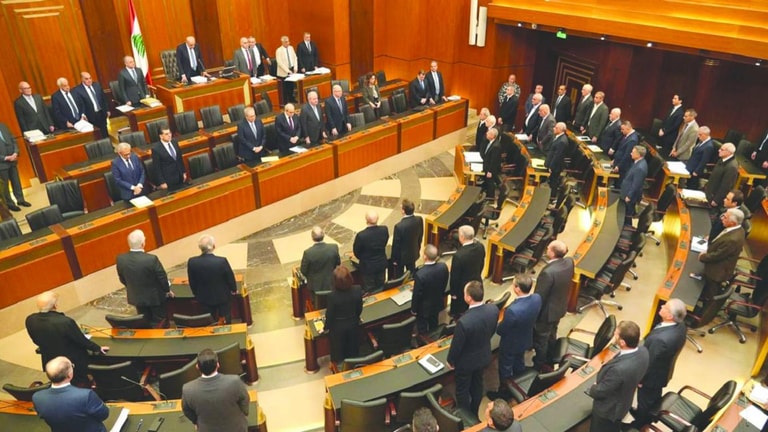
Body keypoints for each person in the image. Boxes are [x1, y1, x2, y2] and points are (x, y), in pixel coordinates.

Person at [25, 291, 109, 386]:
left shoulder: (30, 320)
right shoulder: (65, 322)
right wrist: (97, 348)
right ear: (55, 305)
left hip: (49, 358)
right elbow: (81, 340)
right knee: (80, 381)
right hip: (72, 362)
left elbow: (35, 340)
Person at [632, 299, 687, 427]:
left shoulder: (660, 340)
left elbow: (650, 362)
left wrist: (641, 379)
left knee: (645, 401)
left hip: (651, 378)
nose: (661, 306)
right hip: (663, 371)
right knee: (653, 398)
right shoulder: (681, 325)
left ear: (670, 316)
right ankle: (643, 414)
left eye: (665, 307)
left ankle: (638, 425)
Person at [587, 320, 649, 432]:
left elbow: (601, 391)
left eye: (616, 334)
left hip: (608, 411)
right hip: (624, 401)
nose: (614, 335)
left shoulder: (618, 370)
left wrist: (593, 387)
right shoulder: (644, 352)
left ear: (622, 342)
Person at [447, 281, 499, 415]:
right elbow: (492, 330)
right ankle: (475, 410)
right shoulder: (493, 309)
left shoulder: (464, 322)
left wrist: (450, 361)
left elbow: (457, 346)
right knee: (477, 384)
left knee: (462, 390)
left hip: (466, 363)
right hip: (483, 356)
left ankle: (465, 415)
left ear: (468, 298)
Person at [492, 274, 542, 399]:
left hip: (510, 344)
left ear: (518, 289)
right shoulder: (537, 298)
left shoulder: (513, 311)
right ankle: (519, 383)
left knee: (505, 368)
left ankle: (505, 392)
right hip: (525, 339)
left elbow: (501, 330)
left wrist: (498, 327)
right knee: (519, 362)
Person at [32, 356, 109, 432]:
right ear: (69, 375)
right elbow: (104, 414)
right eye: (72, 366)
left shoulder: (37, 397)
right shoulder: (86, 395)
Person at [182, 348, 250, 432]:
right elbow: (244, 400)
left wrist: (196, 422)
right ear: (218, 365)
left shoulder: (188, 389)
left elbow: (187, 411)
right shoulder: (234, 381)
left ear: (197, 367)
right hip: (236, 428)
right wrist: (244, 413)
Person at [116, 229, 173, 327]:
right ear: (143, 244)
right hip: (155, 298)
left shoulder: (121, 259)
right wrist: (167, 290)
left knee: (143, 321)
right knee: (160, 322)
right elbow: (162, 277)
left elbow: (122, 278)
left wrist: (133, 287)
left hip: (136, 297)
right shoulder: (151, 259)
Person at [532, 240, 574, 370]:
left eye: (548, 248)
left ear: (552, 253)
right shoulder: (569, 262)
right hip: (559, 308)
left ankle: (539, 365)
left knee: (541, 340)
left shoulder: (548, 273)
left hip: (547, 313)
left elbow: (540, 297)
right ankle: (550, 359)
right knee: (552, 334)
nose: (547, 249)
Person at [187, 234, 238, 324]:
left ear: (200, 248)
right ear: (213, 246)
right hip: (222, 297)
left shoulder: (192, 262)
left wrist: (196, 294)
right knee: (225, 321)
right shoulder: (221, 261)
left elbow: (192, 281)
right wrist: (234, 289)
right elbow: (230, 277)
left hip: (204, 298)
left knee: (208, 322)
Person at [699, 208, 745, 300]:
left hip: (716, 273)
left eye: (725, 217)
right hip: (719, 264)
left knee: (710, 295)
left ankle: (706, 303)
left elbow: (717, 255)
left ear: (733, 223)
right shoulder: (739, 229)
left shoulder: (732, 239)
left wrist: (702, 257)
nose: (722, 218)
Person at [326, 267, 363, 364]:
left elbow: (329, 315)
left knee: (338, 353)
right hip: (353, 324)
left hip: (337, 328)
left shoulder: (332, 296)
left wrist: (326, 327)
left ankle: (339, 367)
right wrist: (356, 318)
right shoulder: (357, 289)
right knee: (353, 350)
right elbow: (359, 309)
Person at [411, 244, 449, 334]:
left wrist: (414, 310)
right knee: (434, 323)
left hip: (423, 309)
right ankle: (434, 336)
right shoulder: (443, 267)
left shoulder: (420, 274)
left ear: (425, 256)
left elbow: (417, 295)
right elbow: (444, 282)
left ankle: (423, 339)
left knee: (422, 328)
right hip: (437, 302)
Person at [449, 225, 486, 316]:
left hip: (462, 289)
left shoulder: (458, 256)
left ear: (462, 237)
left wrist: (453, 293)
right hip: (477, 282)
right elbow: (482, 264)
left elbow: (455, 277)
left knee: (459, 312)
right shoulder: (480, 246)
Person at [352, 210, 389, 293]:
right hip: (381, 264)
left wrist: (363, 257)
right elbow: (385, 242)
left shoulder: (361, 235)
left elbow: (356, 252)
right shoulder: (384, 230)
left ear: (366, 220)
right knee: (381, 287)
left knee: (370, 290)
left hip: (367, 267)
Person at [0, 121, 31, 211]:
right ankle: (10, 204)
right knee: (5, 185)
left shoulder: (3, 126)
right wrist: (5, 158)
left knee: (16, 181)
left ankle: (20, 200)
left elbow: (13, 140)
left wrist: (15, 152)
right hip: (2, 164)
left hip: (13, 159)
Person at [300, 226, 341, 293]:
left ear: (312, 238)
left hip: (315, 287)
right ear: (323, 235)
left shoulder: (308, 253)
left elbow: (303, 270)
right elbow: (338, 263)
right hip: (332, 284)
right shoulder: (333, 247)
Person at [391, 199, 424, 277]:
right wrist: (418, 248)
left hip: (401, 257)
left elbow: (396, 245)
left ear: (403, 211)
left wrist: (394, 259)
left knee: (399, 275)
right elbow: (420, 236)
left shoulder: (399, 226)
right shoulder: (419, 219)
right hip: (413, 253)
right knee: (412, 273)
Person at [73, 72, 109, 137]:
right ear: (82, 79)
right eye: (86, 79)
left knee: (105, 132)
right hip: (90, 116)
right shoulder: (78, 90)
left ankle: (107, 142)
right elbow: (80, 105)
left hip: (101, 113)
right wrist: (83, 114)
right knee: (96, 135)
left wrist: (107, 110)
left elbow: (103, 99)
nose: (89, 80)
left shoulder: (97, 85)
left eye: (90, 78)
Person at [705, 142, 739, 211]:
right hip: (709, 193)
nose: (719, 150)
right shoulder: (722, 159)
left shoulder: (732, 167)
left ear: (729, 152)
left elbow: (726, 186)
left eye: (722, 149)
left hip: (715, 198)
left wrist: (716, 200)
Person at [620, 145, 648, 219]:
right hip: (627, 189)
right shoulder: (638, 162)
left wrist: (629, 196)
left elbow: (636, 184)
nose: (631, 153)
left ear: (638, 155)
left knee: (627, 213)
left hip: (630, 195)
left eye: (633, 152)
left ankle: (627, 223)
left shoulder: (640, 168)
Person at [611, 121, 639, 187]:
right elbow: (620, 149)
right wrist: (615, 160)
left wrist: (619, 166)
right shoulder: (627, 136)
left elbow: (627, 155)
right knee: (615, 182)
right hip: (618, 162)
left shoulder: (632, 140)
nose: (621, 131)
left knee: (619, 184)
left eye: (622, 129)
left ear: (628, 128)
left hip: (623, 167)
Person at [545, 122, 568, 199]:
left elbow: (557, 156)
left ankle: (552, 197)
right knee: (552, 181)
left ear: (561, 130)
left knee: (553, 182)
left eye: (556, 128)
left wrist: (551, 167)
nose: (554, 128)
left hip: (556, 166)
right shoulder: (558, 137)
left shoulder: (562, 141)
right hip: (553, 163)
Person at [275, 36, 298, 104]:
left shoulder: (291, 48)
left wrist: (295, 67)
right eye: (286, 42)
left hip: (291, 69)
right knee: (284, 88)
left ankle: (291, 99)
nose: (288, 43)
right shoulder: (279, 50)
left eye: (288, 41)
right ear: (282, 42)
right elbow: (279, 62)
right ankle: (285, 102)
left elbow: (295, 58)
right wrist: (287, 70)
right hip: (283, 72)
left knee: (291, 86)